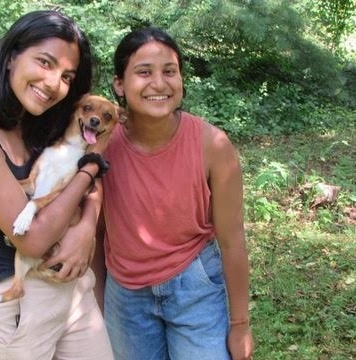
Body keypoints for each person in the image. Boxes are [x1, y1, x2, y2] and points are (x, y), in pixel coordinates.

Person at [0, 10, 113, 360]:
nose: (54, 83)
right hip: (14, 303)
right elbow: (32, 239)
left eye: (66, 76)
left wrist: (86, 227)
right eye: (44, 62)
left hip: (71, 291)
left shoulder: (35, 120)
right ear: (11, 57)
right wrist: (92, 165)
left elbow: (81, 185)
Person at [98, 27, 254, 360]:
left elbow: (232, 239)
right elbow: (96, 233)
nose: (159, 83)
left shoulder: (213, 145)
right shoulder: (102, 145)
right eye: (144, 72)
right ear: (119, 84)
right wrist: (98, 303)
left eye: (169, 71)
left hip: (195, 286)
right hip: (125, 295)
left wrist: (240, 324)